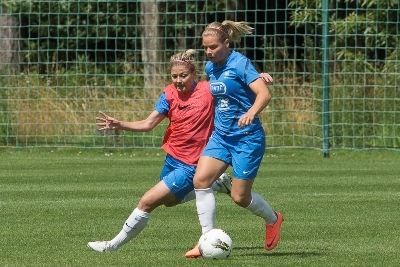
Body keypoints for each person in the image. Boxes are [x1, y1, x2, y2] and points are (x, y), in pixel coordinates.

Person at [87, 49, 233, 252]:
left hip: (193, 163)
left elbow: (236, 86)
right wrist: (119, 124)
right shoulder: (169, 94)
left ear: (194, 74)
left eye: (184, 75)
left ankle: (111, 245)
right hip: (173, 158)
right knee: (170, 202)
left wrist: (255, 77)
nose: (178, 80)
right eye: (174, 76)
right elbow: (148, 124)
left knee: (147, 201)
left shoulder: (208, 91)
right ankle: (216, 184)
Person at [184, 21, 283, 258]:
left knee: (240, 197)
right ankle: (205, 239)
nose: (209, 52)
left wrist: (251, 112)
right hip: (221, 136)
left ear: (226, 44)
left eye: (213, 47)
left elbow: (263, 94)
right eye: (205, 48)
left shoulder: (240, 62)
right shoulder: (211, 67)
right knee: (201, 181)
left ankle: (273, 219)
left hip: (247, 139)